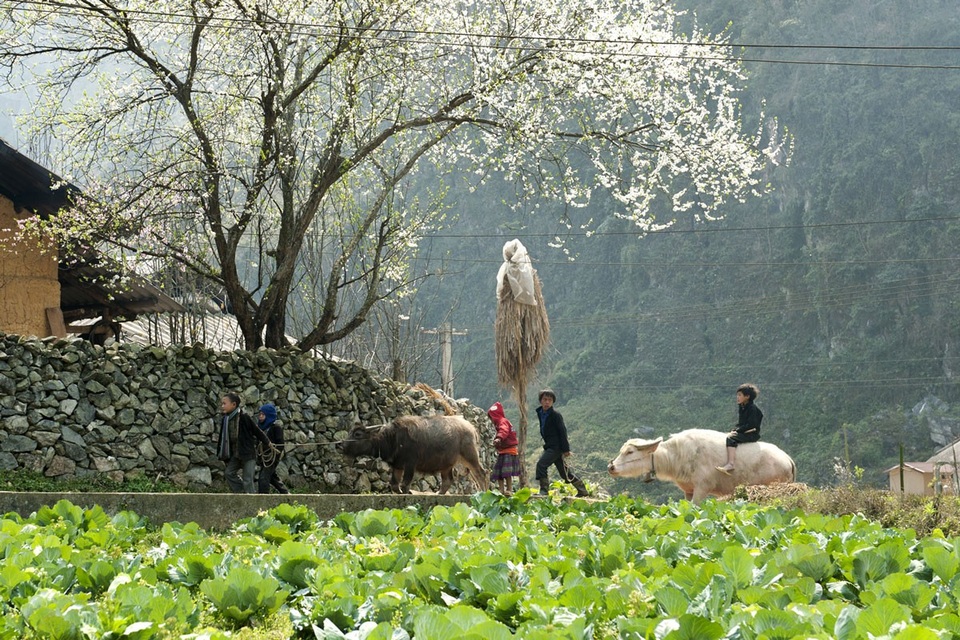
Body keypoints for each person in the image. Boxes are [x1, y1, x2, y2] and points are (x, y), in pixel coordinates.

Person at [534, 389, 589, 497]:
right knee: (564, 473)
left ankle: (544, 491)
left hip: (556, 447)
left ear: (553, 402)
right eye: (545, 399)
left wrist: (566, 449)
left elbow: (562, 432)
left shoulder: (555, 415)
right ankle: (582, 490)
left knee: (541, 465)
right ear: (540, 401)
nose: (547, 402)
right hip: (550, 445)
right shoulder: (541, 413)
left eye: (550, 400)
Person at [216, 392, 274, 493]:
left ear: (234, 404)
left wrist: (267, 442)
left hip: (248, 453)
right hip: (235, 454)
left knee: (248, 480)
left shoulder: (244, 417)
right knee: (229, 473)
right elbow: (222, 438)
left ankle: (253, 503)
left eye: (224, 404)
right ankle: (242, 493)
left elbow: (256, 430)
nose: (222, 406)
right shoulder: (225, 420)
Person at [716, 383, 763, 475]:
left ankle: (731, 464)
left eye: (740, 395)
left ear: (747, 396)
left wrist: (738, 430)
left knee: (731, 438)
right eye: (737, 395)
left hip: (752, 434)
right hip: (745, 431)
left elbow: (751, 425)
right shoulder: (742, 407)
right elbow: (742, 423)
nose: (737, 397)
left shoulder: (752, 408)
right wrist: (736, 429)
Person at [487, 401, 520, 495]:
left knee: (506, 472)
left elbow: (504, 431)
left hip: (508, 451)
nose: (491, 420)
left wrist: (499, 438)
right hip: (503, 451)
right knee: (499, 473)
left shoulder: (503, 422)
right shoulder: (501, 423)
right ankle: (501, 491)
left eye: (491, 417)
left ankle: (509, 489)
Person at [256, 403, 289, 495]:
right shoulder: (260, 429)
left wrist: (274, 453)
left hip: (272, 458)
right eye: (260, 414)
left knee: (263, 478)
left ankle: (263, 498)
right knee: (272, 477)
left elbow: (280, 444)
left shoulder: (276, 428)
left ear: (269, 416)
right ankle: (285, 493)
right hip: (263, 458)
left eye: (263, 415)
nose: (260, 417)